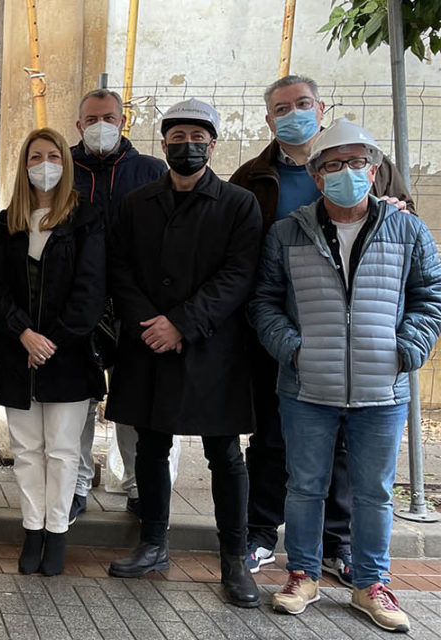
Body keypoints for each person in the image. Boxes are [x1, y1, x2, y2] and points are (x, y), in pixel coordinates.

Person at [251, 118, 441, 633]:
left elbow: (429, 298)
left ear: (375, 170)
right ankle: (302, 575)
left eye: (357, 163)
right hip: (307, 386)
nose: (346, 173)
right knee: (305, 486)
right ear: (317, 177)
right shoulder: (288, 232)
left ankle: (372, 584)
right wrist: (291, 350)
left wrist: (408, 350)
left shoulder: (407, 229)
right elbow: (265, 302)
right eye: (333, 165)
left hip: (384, 389)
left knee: (375, 491)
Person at [229, 75, 414, 582]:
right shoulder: (252, 176)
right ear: (269, 120)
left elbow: (404, 235)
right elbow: (245, 263)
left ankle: (338, 543)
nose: (294, 114)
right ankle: (262, 532)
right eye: (282, 108)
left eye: (303, 104)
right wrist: (281, 340)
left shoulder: (369, 161)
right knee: (271, 437)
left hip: (358, 341)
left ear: (321, 106)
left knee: (343, 450)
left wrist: (404, 346)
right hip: (284, 336)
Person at [105, 99, 262, 609]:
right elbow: (120, 270)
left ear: (213, 144)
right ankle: (153, 543)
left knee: (224, 454)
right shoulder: (136, 203)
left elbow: (238, 276)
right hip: (148, 343)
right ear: (164, 142)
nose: (186, 145)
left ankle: (234, 560)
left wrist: (182, 324)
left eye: (197, 136)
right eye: (177, 137)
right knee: (150, 446)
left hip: (211, 348)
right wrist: (151, 325)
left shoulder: (239, 204)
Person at [0, 128, 105, 576]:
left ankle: (57, 532)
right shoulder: (7, 222)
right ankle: (31, 528)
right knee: (26, 451)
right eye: (35, 156)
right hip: (20, 355)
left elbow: (90, 293)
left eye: (52, 155)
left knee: (61, 450)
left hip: (68, 356)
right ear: (24, 166)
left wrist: (50, 340)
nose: (44, 164)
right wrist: (24, 335)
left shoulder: (86, 218)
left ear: (66, 162)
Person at [69, 89, 166, 520]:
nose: (100, 125)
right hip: (76, 301)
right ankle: (75, 484)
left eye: (108, 117)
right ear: (78, 125)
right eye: (91, 119)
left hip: (136, 303)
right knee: (78, 396)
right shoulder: (62, 168)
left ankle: (138, 485)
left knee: (133, 399)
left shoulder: (151, 171)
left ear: (123, 121)